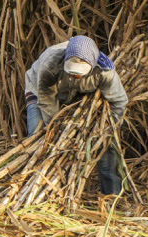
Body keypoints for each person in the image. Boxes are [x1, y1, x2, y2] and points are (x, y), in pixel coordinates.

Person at [23, 35, 127, 195]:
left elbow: (119, 101)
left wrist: (110, 126)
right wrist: (58, 131)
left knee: (106, 142)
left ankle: (112, 194)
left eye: (80, 74)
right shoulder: (50, 65)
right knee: (37, 135)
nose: (74, 76)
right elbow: (46, 101)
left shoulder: (104, 71)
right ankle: (33, 189)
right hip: (40, 92)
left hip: (80, 96)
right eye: (71, 72)